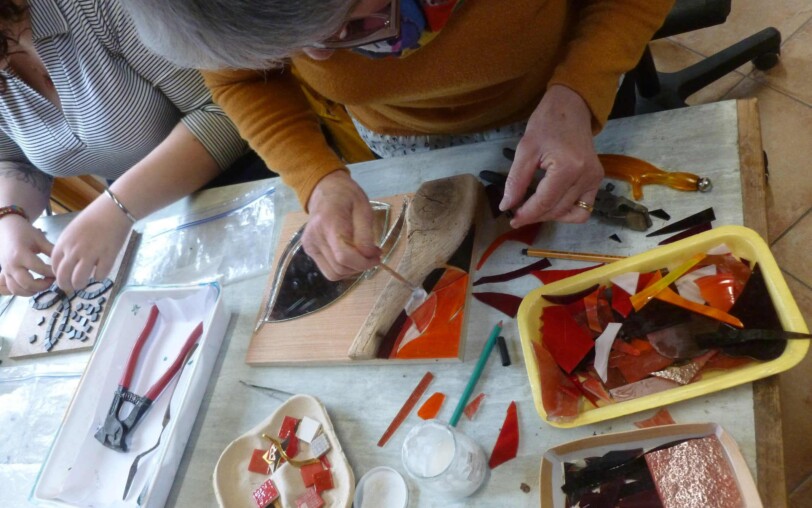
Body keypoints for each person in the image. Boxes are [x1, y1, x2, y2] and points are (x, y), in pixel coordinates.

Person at [122, 0, 674, 280]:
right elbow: (236, 79)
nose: (313, 59)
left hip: (564, 100)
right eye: (290, 46)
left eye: (347, 25)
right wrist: (316, 179)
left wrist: (579, 91)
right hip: (393, 143)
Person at [0, 0, 247, 296]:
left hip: (244, 182)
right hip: (146, 214)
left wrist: (117, 207)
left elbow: (227, 112)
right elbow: (16, 160)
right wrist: (10, 217)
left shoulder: (100, 8)